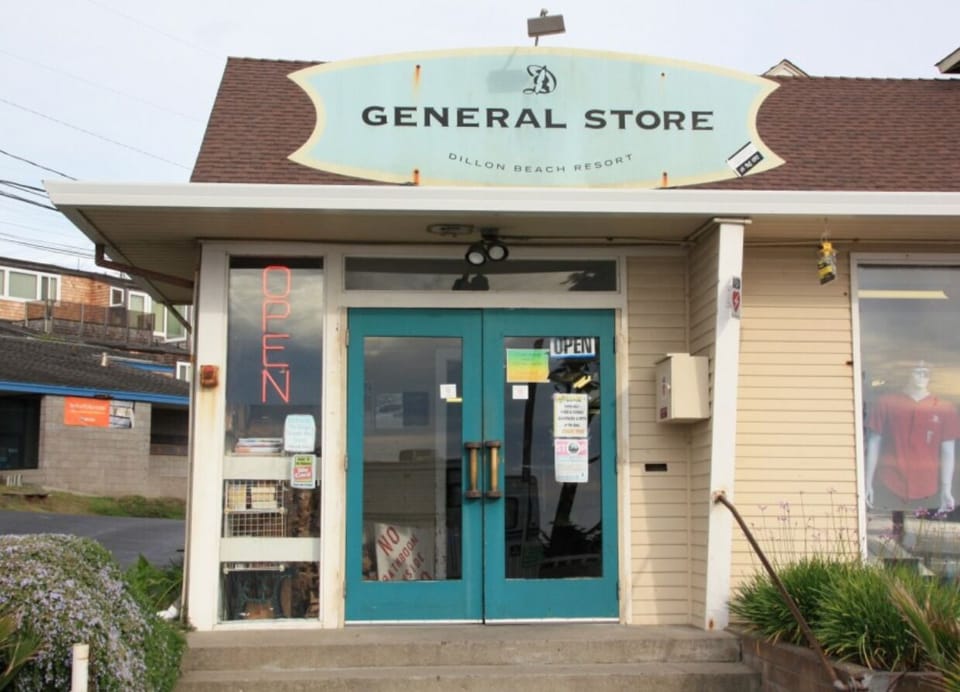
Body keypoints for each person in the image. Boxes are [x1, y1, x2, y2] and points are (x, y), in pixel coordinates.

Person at [864, 361, 960, 514]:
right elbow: (874, 443)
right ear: (907, 373)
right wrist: (867, 482)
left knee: (925, 533)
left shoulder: (944, 408)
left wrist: (946, 489)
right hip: (889, 482)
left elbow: (948, 451)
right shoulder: (887, 403)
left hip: (928, 487)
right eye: (918, 371)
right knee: (888, 530)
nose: (922, 376)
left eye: (926, 373)